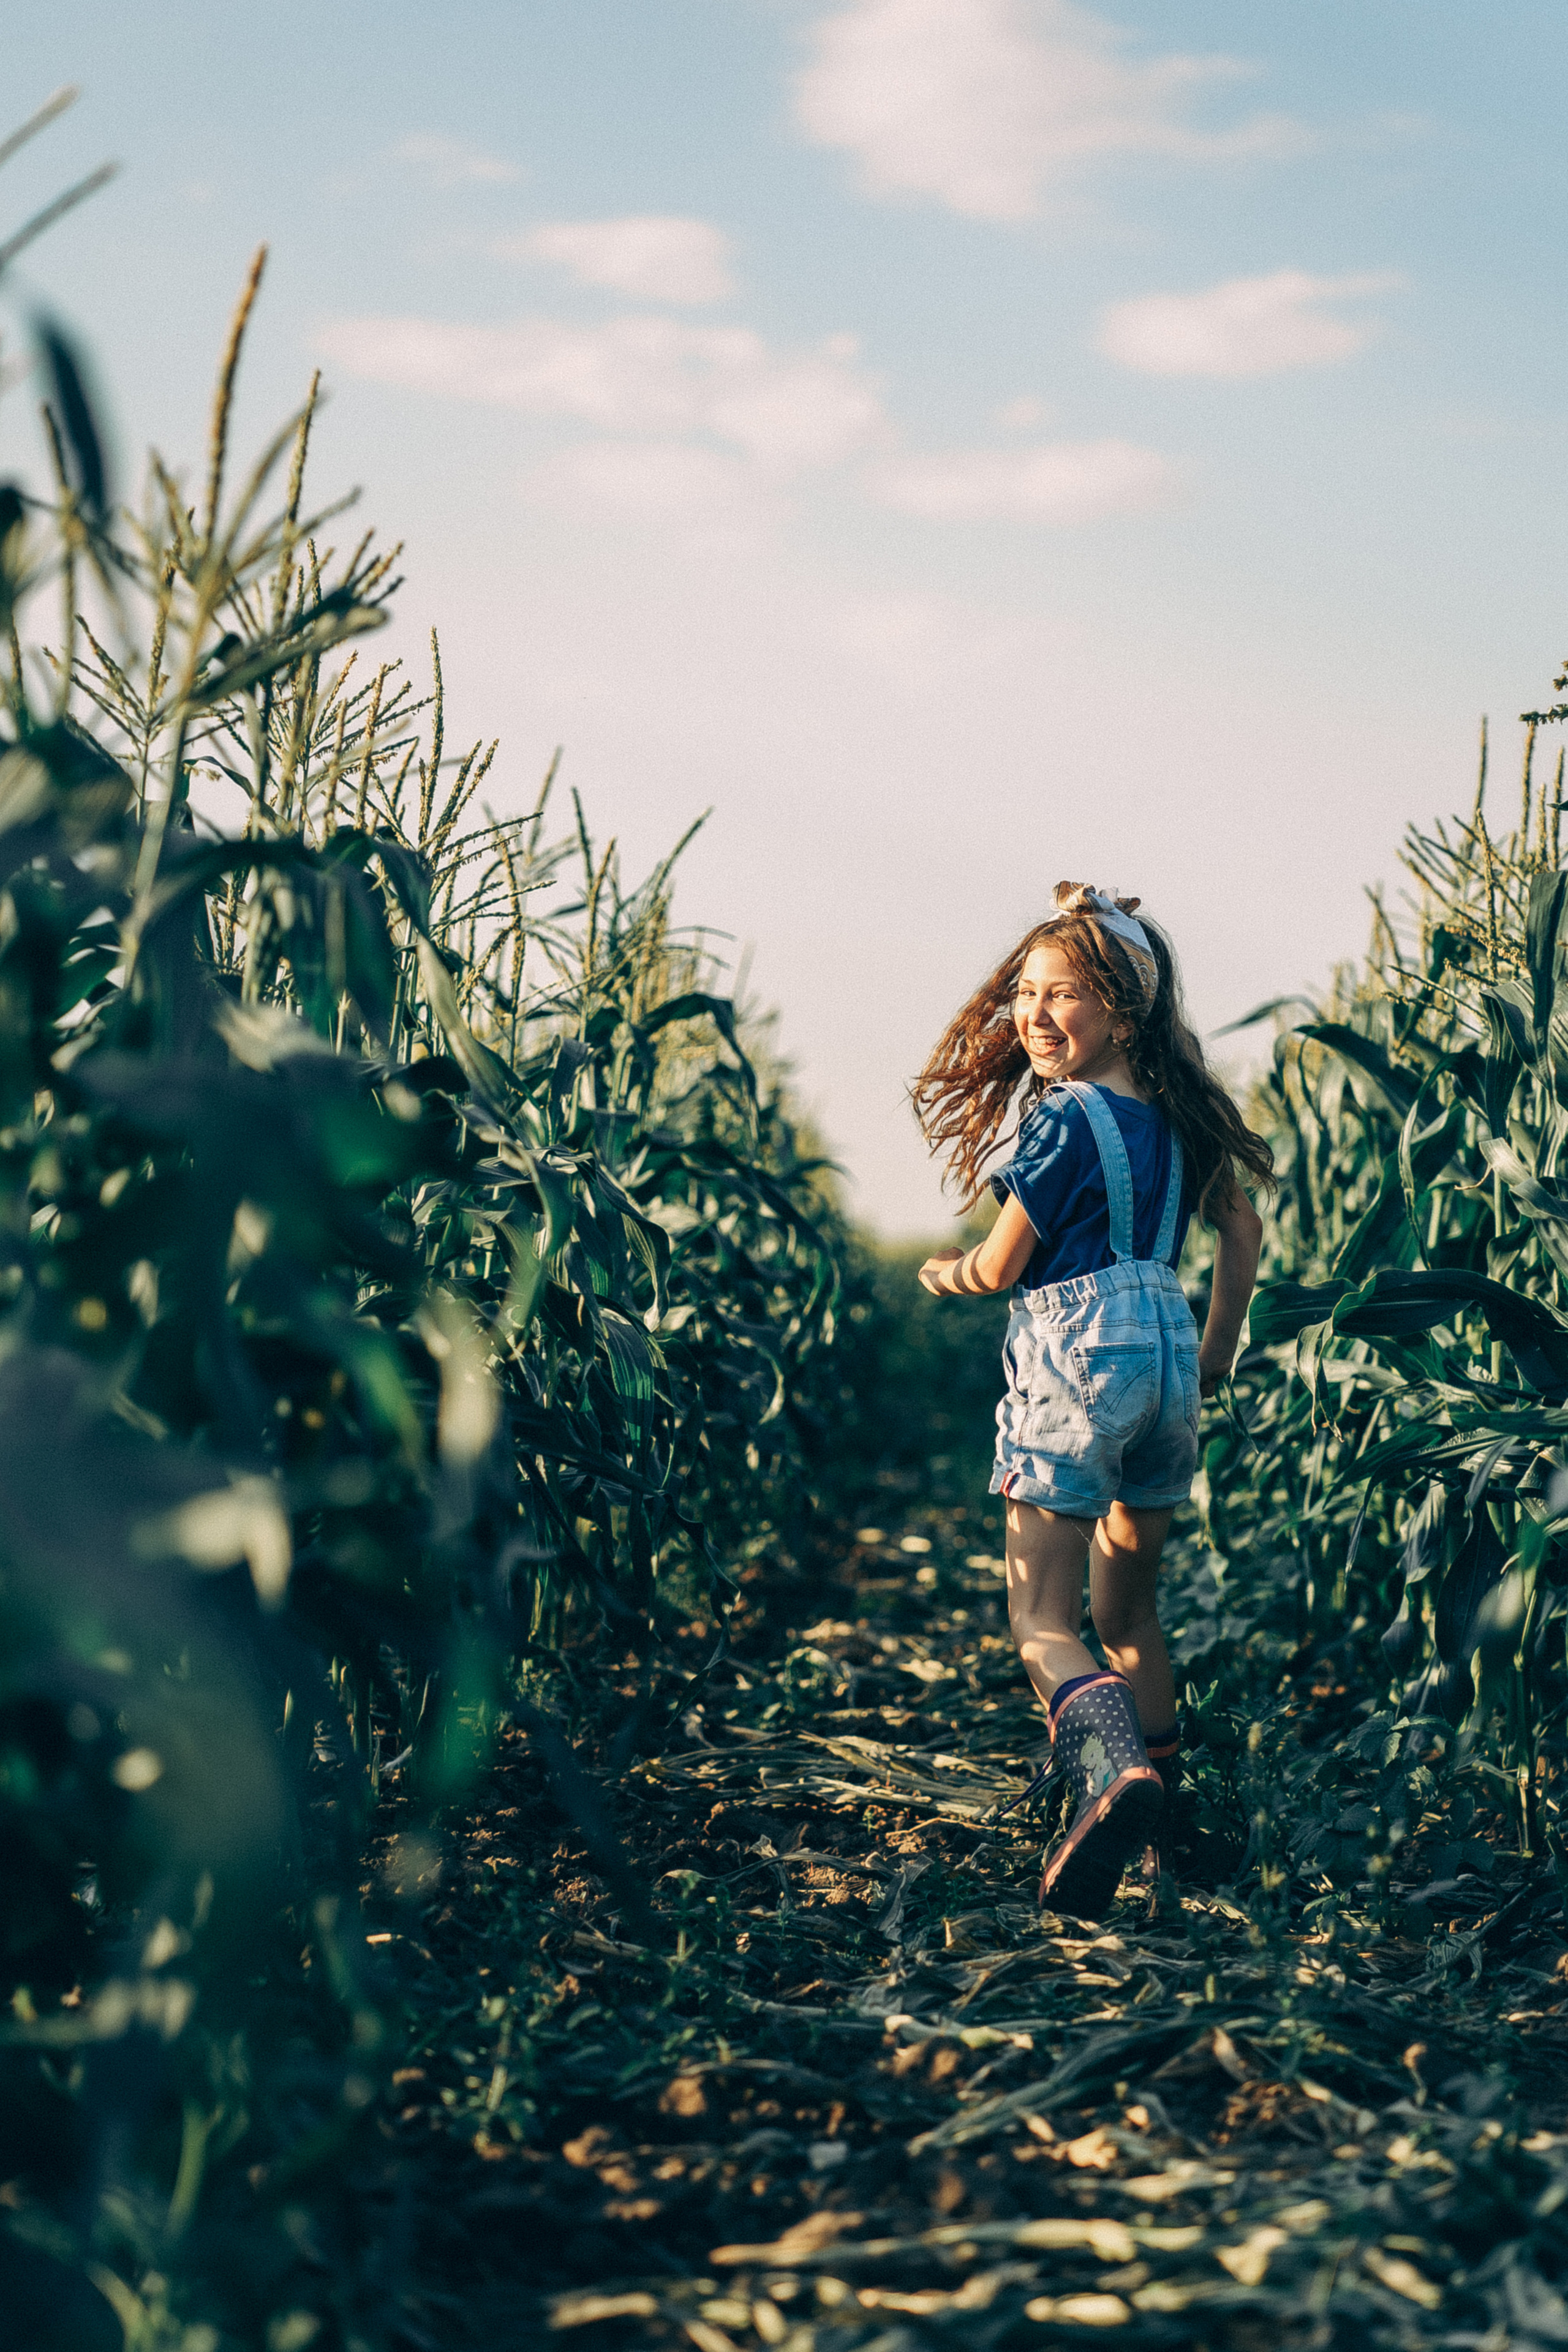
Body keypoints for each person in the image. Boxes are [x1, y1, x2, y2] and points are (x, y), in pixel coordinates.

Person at [911, 883, 1272, 1918]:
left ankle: (1113, 1776)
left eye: (1060, 993)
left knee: (1040, 1616)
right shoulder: (1181, 1122)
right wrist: (1213, 1353)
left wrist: (948, 1274)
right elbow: (1240, 1233)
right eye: (1024, 991)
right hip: (1164, 1368)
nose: (1031, 1013)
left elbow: (1001, 1265)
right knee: (1129, 1613)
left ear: (1121, 1011)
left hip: (1077, 1368)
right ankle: (1165, 1839)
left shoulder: (1065, 1124)